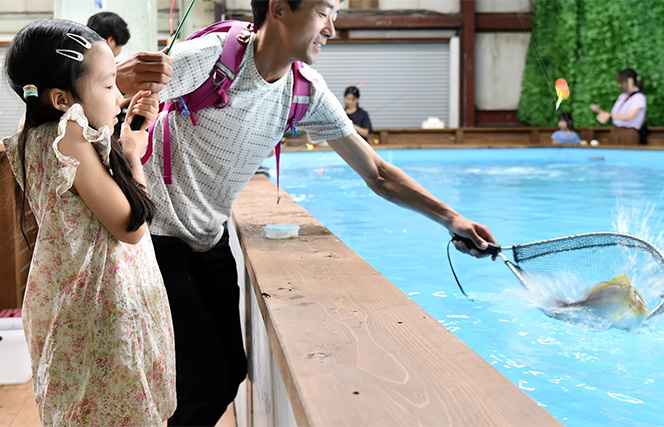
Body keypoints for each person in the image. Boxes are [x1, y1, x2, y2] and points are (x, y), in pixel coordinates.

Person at [115, 0, 497, 425]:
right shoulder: (209, 57)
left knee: (229, 374)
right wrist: (118, 76)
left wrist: (450, 218)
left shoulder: (306, 92)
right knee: (201, 381)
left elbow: (378, 173)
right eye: (323, 12)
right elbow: (107, 99)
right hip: (156, 237)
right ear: (279, 10)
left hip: (208, 237)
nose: (332, 28)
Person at [1, 19, 175, 425]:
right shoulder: (69, 139)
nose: (119, 97)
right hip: (101, 310)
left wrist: (122, 134)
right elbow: (130, 228)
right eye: (109, 84)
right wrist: (133, 151)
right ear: (62, 99)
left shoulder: (37, 134)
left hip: (75, 304)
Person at [590, 68, 647, 145]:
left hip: (628, 134)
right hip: (616, 132)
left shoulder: (639, 97)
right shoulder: (623, 96)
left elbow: (629, 116)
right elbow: (615, 116)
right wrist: (600, 111)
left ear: (630, 80)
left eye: (621, 82)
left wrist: (609, 115)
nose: (619, 85)